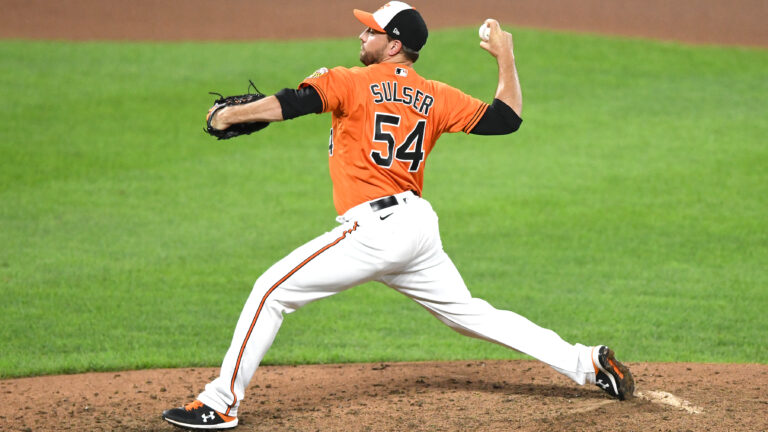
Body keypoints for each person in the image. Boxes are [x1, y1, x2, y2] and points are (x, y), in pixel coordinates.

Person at [162, 2, 634, 429]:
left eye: (371, 31)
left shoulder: (350, 79)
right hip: (417, 230)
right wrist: (505, 56)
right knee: (470, 314)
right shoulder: (436, 94)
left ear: (394, 45)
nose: (361, 36)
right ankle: (588, 362)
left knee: (271, 292)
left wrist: (229, 116)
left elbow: (294, 103)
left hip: (375, 231)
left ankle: (220, 403)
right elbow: (506, 118)